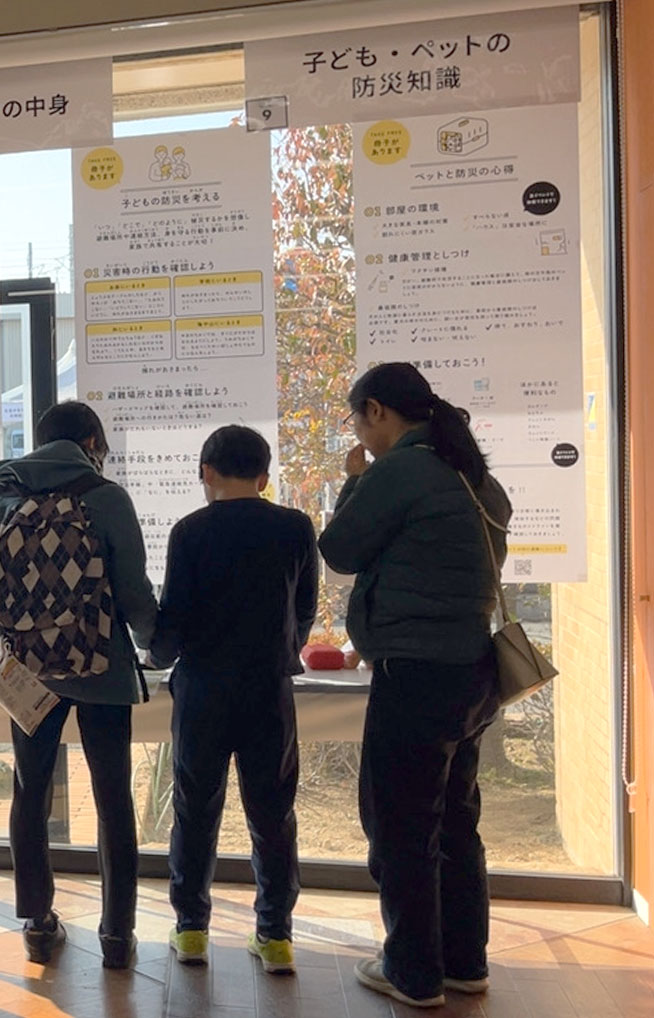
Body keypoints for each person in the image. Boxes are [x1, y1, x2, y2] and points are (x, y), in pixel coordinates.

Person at [318, 362, 510, 1008]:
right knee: (454, 820)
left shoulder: (400, 469)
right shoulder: (469, 470)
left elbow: (339, 549)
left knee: (400, 825)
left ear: (376, 411)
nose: (359, 436)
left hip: (415, 674)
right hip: (472, 671)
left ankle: (412, 972)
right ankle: (464, 962)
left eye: (357, 422)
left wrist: (353, 482)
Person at [0, 401, 156, 970]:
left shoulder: (8, 499)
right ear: (92, 442)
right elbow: (133, 592)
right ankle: (117, 934)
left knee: (30, 790)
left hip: (27, 670)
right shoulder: (107, 498)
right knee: (112, 797)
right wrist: (157, 644)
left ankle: (37, 924)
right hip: (99, 665)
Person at [149, 425, 318, 975]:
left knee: (195, 810)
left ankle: (191, 930)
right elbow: (304, 609)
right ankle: (275, 936)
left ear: (207, 472)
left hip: (202, 689)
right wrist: (283, 650)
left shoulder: (190, 531)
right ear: (264, 477)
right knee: (273, 814)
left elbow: (174, 616)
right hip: (269, 689)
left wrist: (156, 654)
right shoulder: (295, 527)